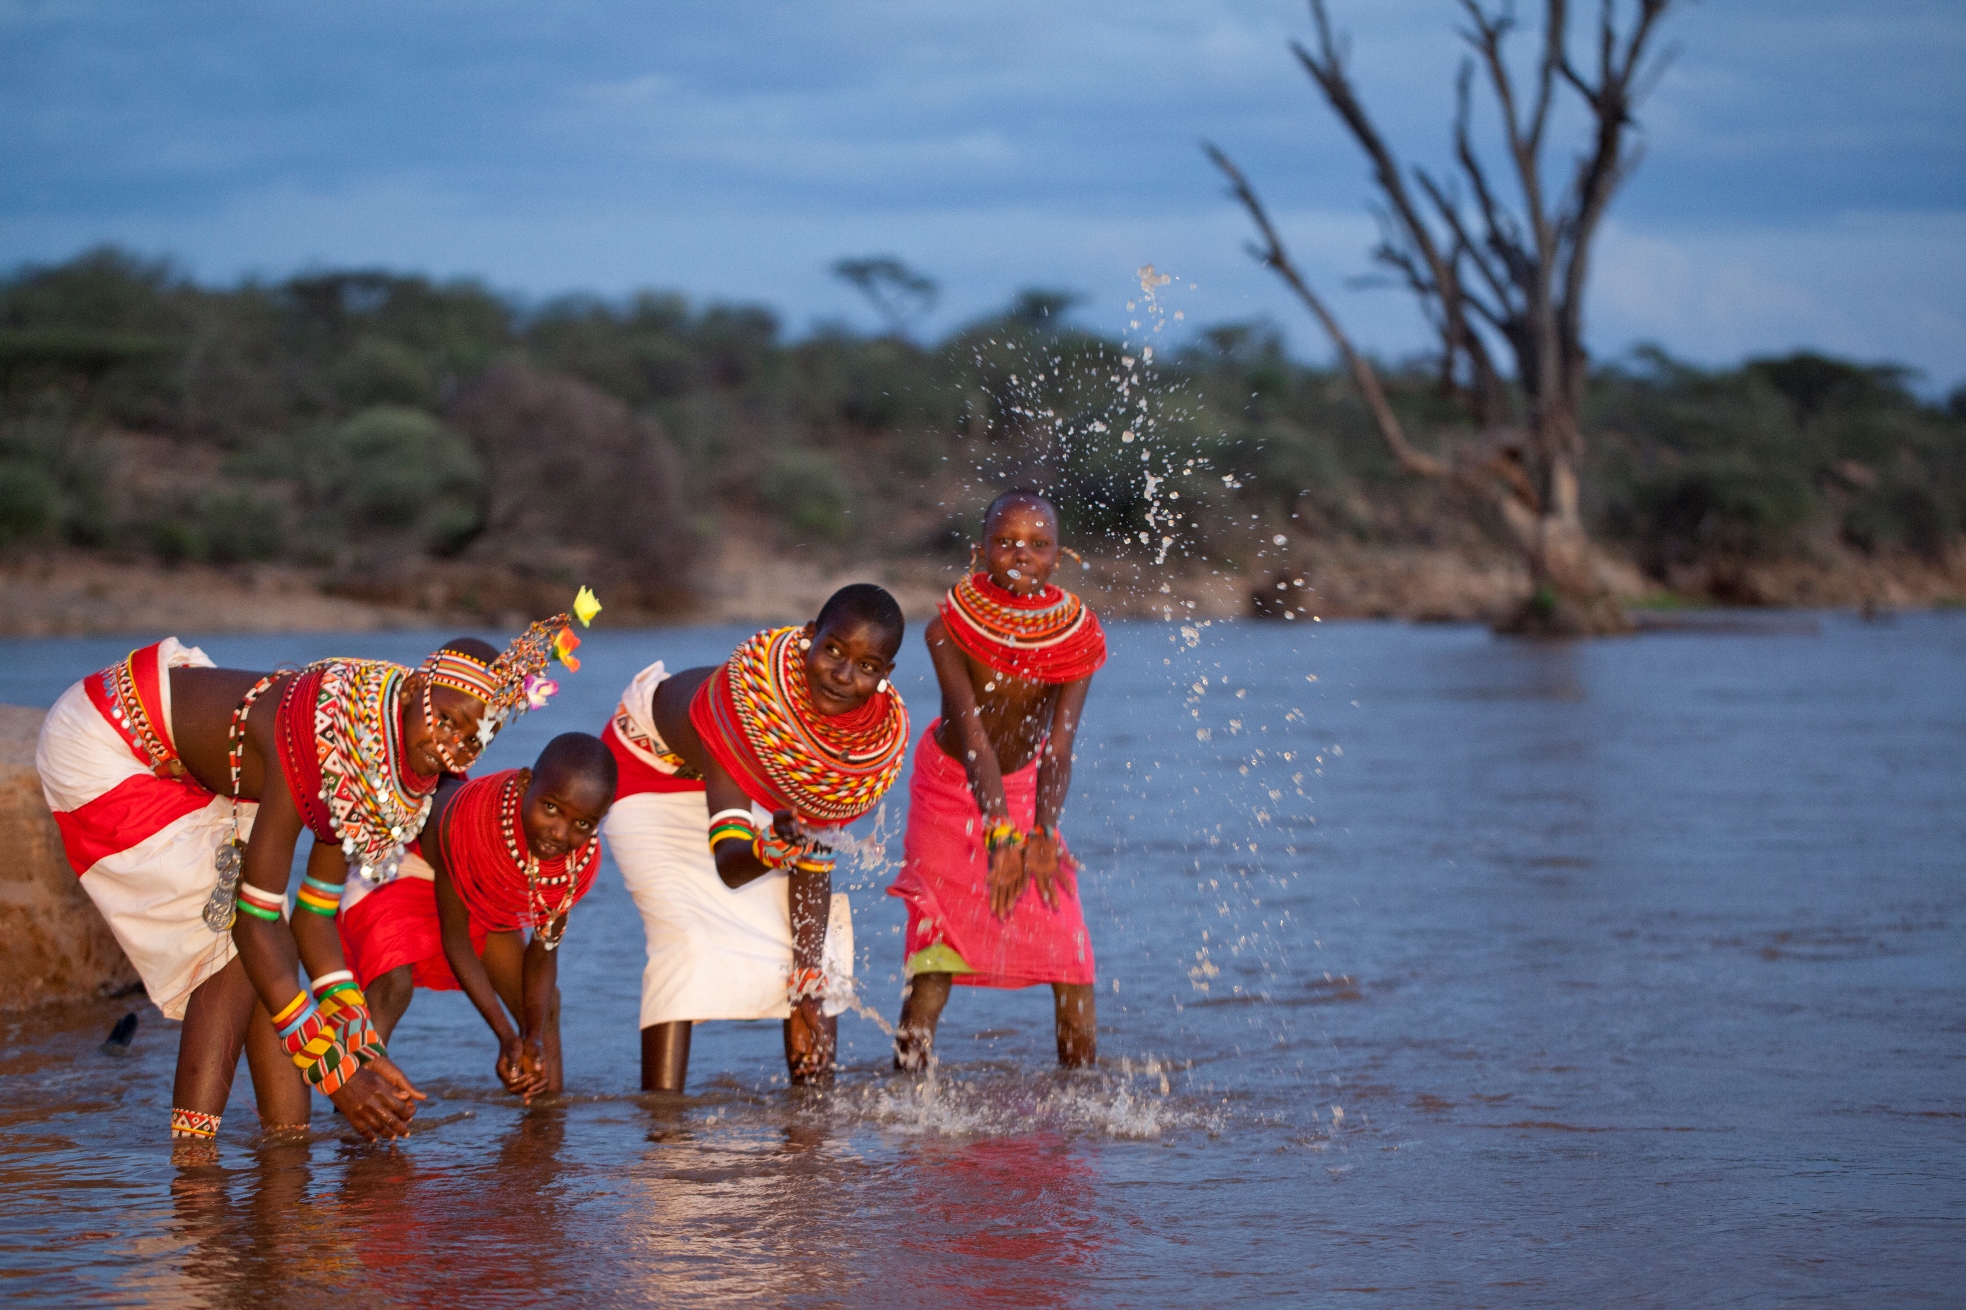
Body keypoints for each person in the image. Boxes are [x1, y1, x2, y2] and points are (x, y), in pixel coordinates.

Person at [34, 630, 528, 1143]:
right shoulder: (329, 736)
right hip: (109, 740)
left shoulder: (378, 760)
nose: (450, 746)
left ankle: (287, 1149)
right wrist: (338, 1080)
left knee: (274, 954)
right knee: (230, 950)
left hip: (197, 762)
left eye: (471, 740)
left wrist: (363, 1049)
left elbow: (315, 920)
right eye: (445, 720)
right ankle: (194, 1174)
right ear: (411, 691)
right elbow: (254, 924)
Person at [602, 584, 909, 1091]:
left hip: (747, 788)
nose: (842, 675)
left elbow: (813, 861)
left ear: (884, 676)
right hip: (647, 770)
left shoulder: (849, 753)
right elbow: (731, 862)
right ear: (809, 637)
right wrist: (775, 848)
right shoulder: (743, 707)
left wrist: (806, 982)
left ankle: (812, 1122)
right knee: (687, 939)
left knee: (821, 942)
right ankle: (663, 1129)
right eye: (832, 650)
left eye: (867, 666)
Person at [889, 490, 1107, 1070]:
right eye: (1006, 542)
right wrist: (999, 835)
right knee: (936, 956)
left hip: (1024, 790)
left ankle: (1080, 1101)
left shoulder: (1077, 636)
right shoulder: (947, 630)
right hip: (948, 788)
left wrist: (1040, 832)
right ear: (978, 552)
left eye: (1037, 545)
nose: (1020, 554)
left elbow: (1059, 747)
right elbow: (977, 738)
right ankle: (910, 1097)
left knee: (1070, 954)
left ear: (1058, 559)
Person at [336, 733, 617, 1100]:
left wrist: (529, 1038)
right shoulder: (473, 823)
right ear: (525, 784)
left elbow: (543, 954)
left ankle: (547, 1126)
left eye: (582, 824)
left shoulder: (572, 864)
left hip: (484, 888)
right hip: (405, 861)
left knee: (544, 1008)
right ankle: (357, 1111)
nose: (559, 833)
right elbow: (458, 941)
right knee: (392, 986)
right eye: (550, 807)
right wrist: (504, 1036)